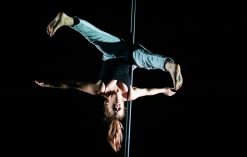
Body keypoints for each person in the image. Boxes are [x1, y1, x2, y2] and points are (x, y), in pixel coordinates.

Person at [35, 12, 183, 152]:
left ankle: (68, 20)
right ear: (124, 107)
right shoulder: (129, 94)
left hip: (113, 51)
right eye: (120, 109)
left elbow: (73, 84)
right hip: (132, 57)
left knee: (95, 37)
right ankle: (169, 66)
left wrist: (50, 84)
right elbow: (148, 91)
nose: (118, 106)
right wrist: (164, 90)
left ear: (107, 103)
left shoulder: (100, 89)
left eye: (114, 108)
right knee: (142, 59)